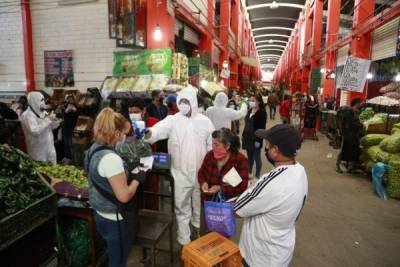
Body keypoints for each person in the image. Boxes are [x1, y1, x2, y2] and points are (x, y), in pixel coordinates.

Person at [145, 86, 215, 246]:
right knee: (181, 207)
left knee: (199, 206)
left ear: (193, 102)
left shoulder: (205, 122)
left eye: (186, 101)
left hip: (200, 174)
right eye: (181, 101)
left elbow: (212, 145)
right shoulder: (173, 120)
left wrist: (211, 168)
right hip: (180, 173)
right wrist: (147, 133)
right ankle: (185, 242)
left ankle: (199, 234)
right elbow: (157, 131)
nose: (183, 104)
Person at [235, 124, 308, 267]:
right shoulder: (300, 171)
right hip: (280, 251)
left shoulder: (271, 182)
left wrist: (253, 189)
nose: (265, 148)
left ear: (275, 150)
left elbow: (238, 209)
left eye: (267, 144)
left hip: (260, 256)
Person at [85, 108, 146, 267]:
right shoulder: (111, 158)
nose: (125, 137)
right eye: (124, 133)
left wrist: (126, 168)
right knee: (118, 261)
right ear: (117, 133)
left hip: (100, 214)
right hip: (115, 219)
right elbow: (124, 196)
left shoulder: (94, 149)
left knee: (112, 255)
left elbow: (102, 177)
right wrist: (137, 180)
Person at [197, 128, 249, 234]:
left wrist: (220, 188)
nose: (213, 147)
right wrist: (203, 183)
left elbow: (242, 186)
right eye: (212, 143)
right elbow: (201, 172)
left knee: (222, 236)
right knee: (205, 234)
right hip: (207, 203)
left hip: (226, 206)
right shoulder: (210, 156)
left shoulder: (239, 160)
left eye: (217, 144)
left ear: (227, 146)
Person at [20, 91, 61, 163]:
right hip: (37, 150)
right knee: (41, 171)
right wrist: (48, 119)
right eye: (41, 100)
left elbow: (50, 127)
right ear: (34, 101)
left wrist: (56, 121)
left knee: (53, 170)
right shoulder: (27, 115)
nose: (43, 103)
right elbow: (35, 131)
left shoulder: (42, 112)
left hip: (49, 147)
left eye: (43, 100)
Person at [242, 95, 267, 178]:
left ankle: (257, 175)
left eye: (253, 100)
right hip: (247, 137)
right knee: (249, 157)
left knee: (257, 157)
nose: (251, 102)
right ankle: (249, 173)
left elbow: (262, 128)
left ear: (259, 102)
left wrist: (259, 140)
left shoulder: (262, 113)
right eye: (250, 100)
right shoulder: (249, 110)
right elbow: (246, 124)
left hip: (256, 138)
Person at [336, 98, 363, 173]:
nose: (361, 105)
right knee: (342, 150)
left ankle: (350, 167)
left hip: (353, 135)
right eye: (360, 103)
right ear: (357, 103)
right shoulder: (348, 112)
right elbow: (348, 124)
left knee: (353, 150)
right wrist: (359, 125)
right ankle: (337, 166)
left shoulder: (355, 112)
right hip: (347, 134)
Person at [62, 94, 79, 160]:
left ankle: (73, 160)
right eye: (69, 99)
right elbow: (63, 115)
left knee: (71, 146)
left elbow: (78, 116)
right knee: (66, 145)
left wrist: (75, 110)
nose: (70, 100)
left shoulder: (76, 107)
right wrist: (66, 110)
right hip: (65, 129)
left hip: (72, 129)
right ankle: (67, 159)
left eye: (71, 99)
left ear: (73, 99)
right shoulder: (65, 106)